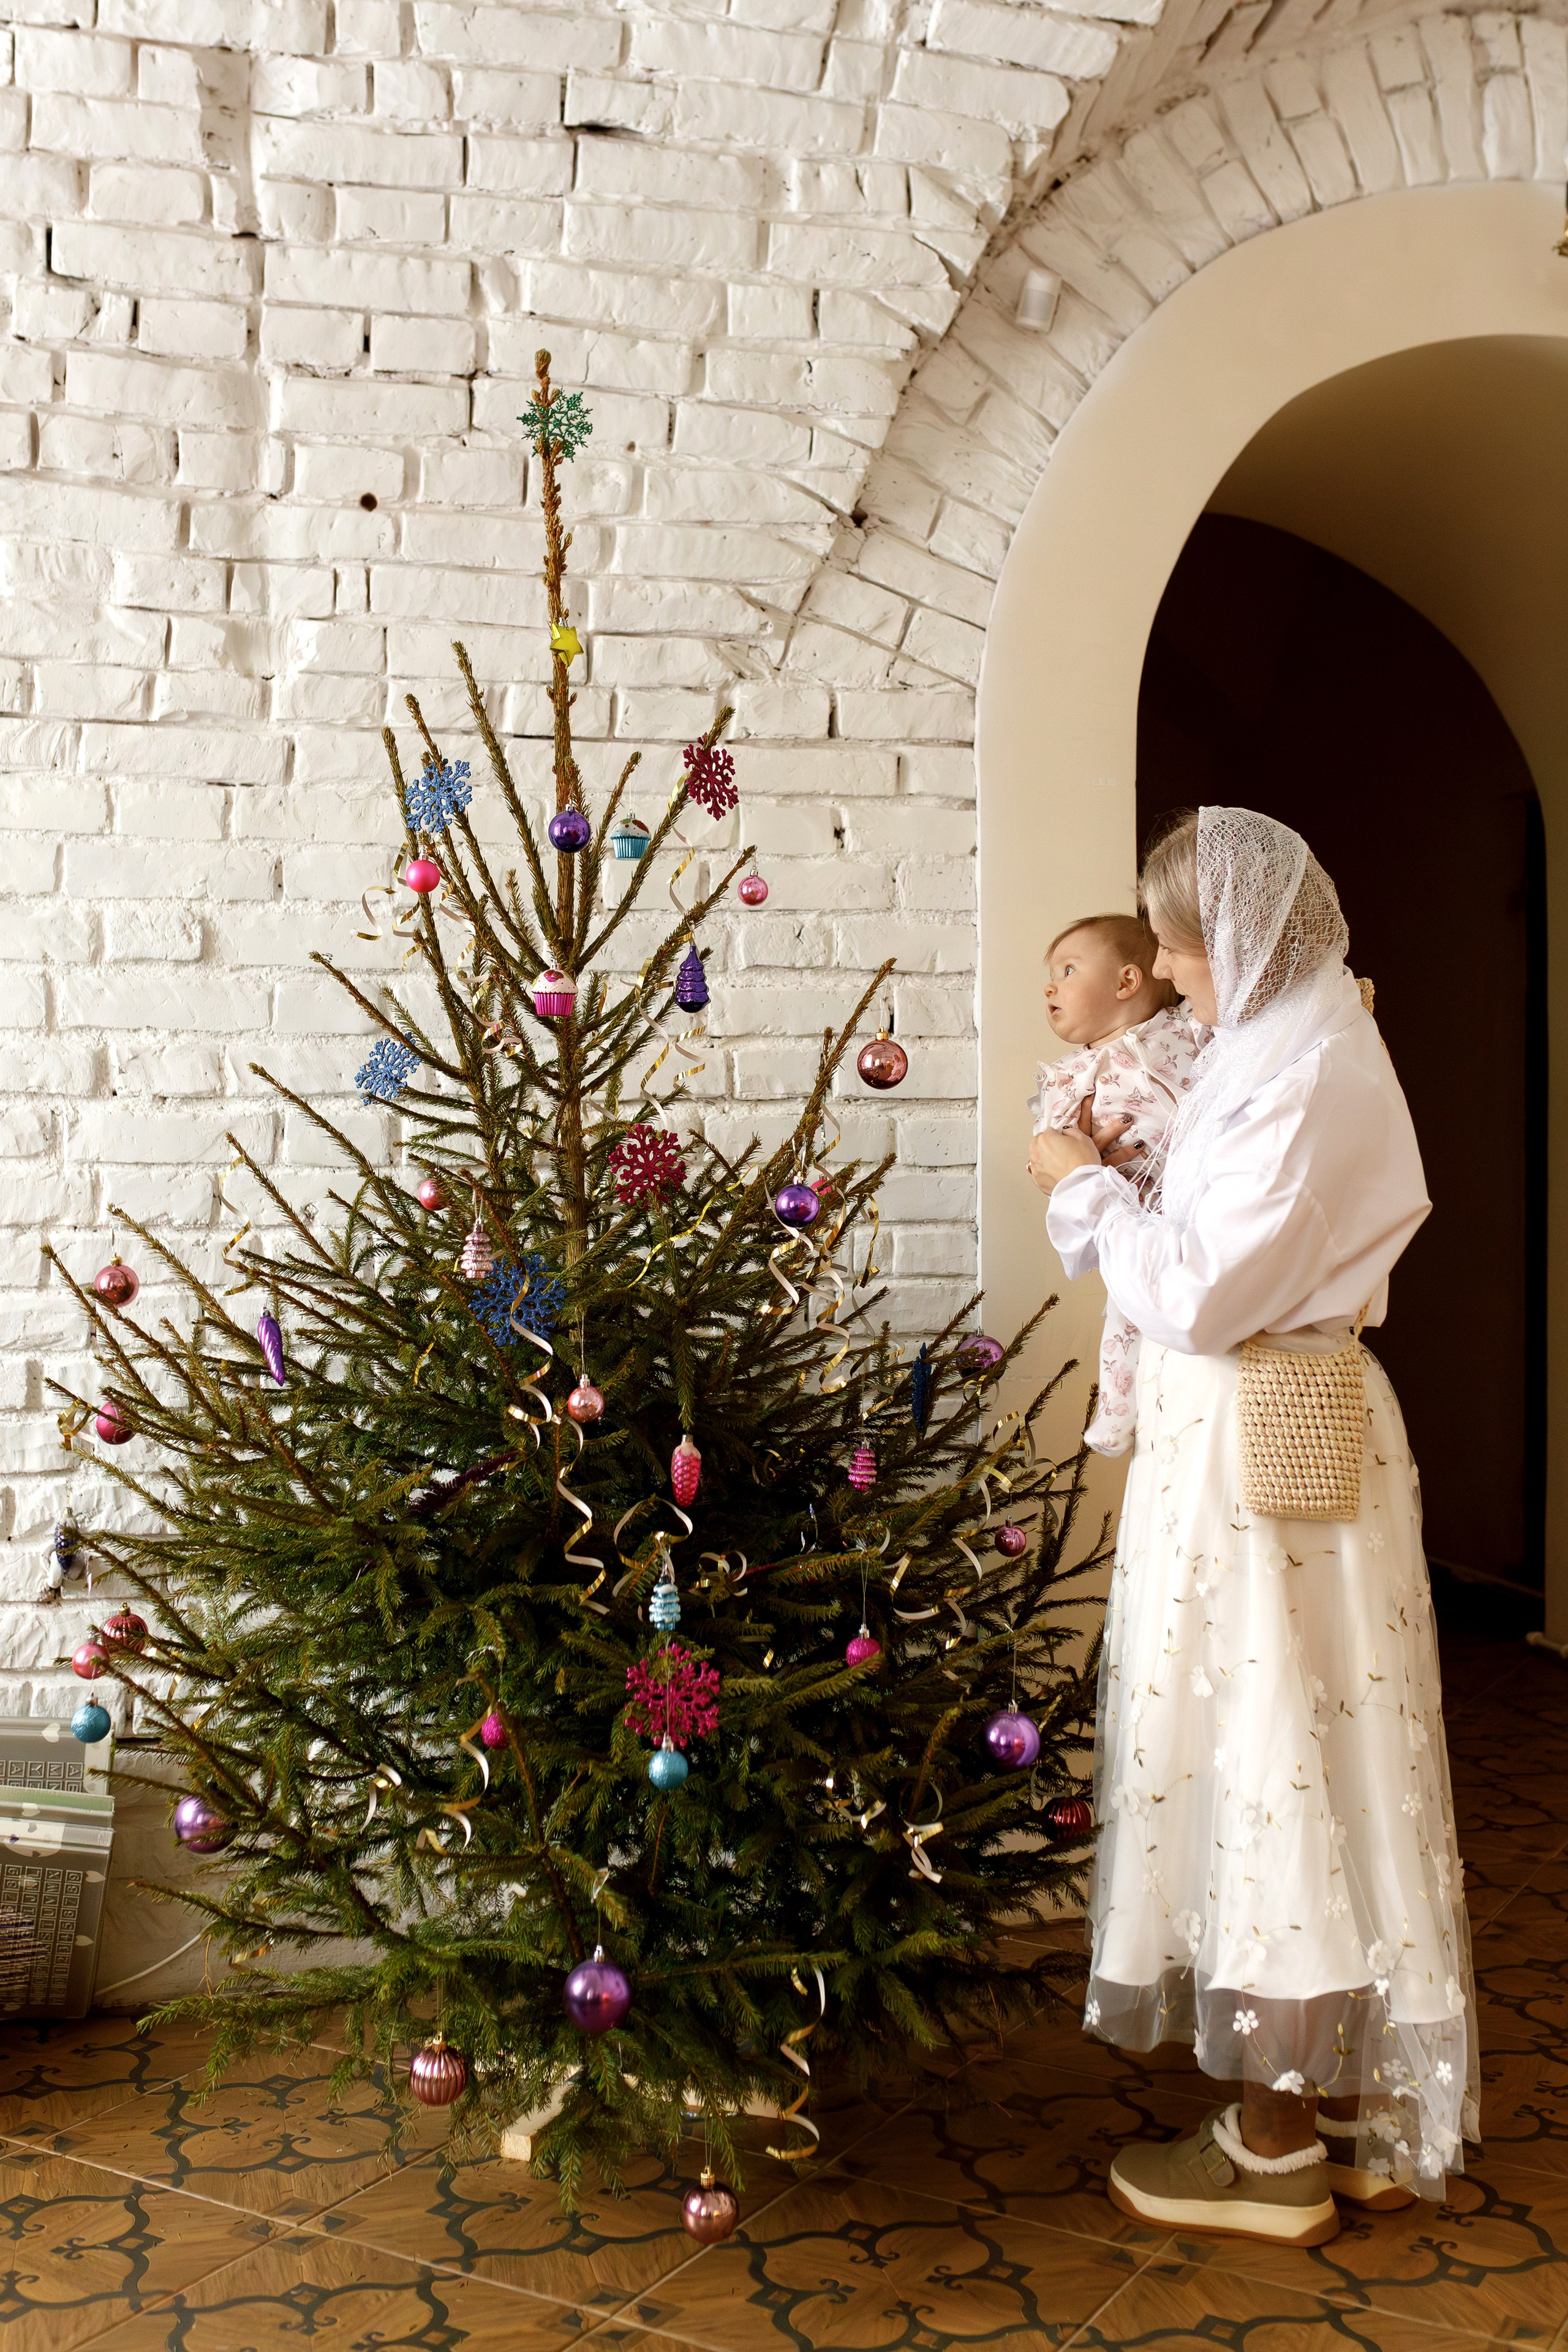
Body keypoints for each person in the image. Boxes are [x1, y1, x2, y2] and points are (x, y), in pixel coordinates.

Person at [1027, 807, 1477, 2250]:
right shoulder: (1284, 1046)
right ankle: (1335, 2108)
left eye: (1169, 939)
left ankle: (1274, 2140)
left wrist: (1079, 1185)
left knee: (1263, 1750)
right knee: (1316, 1746)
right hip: (1273, 1436)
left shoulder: (1295, 1069)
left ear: (1234, 936)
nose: (1159, 964)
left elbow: (1200, 1290)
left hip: (1248, 1443)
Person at [1028, 913, 1205, 1457]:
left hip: (1191, 1194)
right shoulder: (1068, 1074)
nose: (1050, 986)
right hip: (1128, 1204)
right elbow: (1051, 1148)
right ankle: (1116, 1413)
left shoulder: (1184, 1029)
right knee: (1127, 1308)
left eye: (1069, 969)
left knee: (1169, 1301)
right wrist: (1063, 1159)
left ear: (1127, 981)